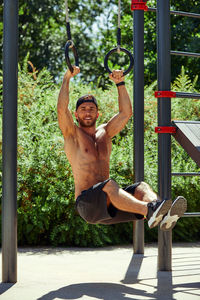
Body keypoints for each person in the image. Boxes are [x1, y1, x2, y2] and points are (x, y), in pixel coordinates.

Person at [57, 66, 187, 230]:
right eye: (83, 109)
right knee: (109, 184)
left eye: (91, 109)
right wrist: (67, 78)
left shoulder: (105, 133)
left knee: (141, 187)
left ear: (98, 114)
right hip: (87, 204)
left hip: (109, 202)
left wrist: (120, 83)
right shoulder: (72, 134)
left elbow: (126, 113)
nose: (87, 112)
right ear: (76, 115)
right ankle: (150, 210)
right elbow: (62, 109)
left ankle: (159, 212)